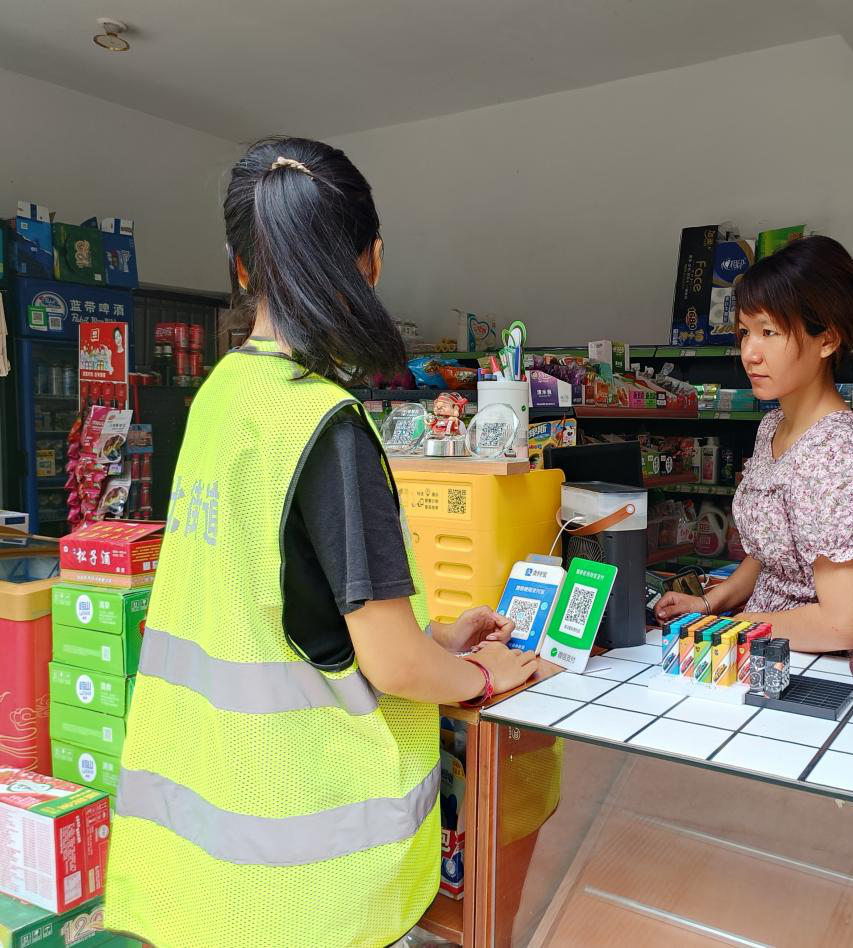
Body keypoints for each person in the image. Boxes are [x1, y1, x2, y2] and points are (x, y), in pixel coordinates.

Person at [104, 137, 538, 948]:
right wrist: (480, 673)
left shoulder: (221, 396)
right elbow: (394, 666)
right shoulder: (327, 426)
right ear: (372, 261)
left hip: (206, 851)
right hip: (304, 878)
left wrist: (436, 638)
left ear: (240, 268)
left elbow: (270, 601)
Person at [656, 236, 853, 654]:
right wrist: (709, 603)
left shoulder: (837, 453)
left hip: (813, 665)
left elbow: (843, 626)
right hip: (762, 647)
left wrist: (732, 627)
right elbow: (771, 555)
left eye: (769, 332)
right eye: (745, 332)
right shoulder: (773, 426)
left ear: (827, 340)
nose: (749, 352)